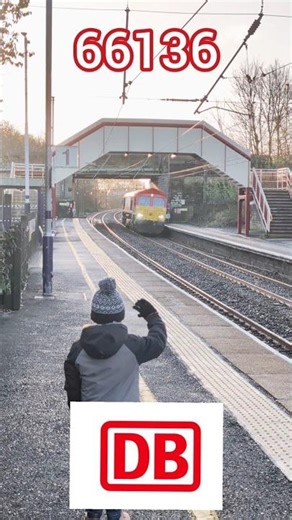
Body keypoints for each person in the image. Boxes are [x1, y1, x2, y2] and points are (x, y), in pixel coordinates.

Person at [64, 277, 167, 520]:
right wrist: (152, 316)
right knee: (115, 469)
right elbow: (159, 342)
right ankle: (114, 515)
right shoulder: (133, 347)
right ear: (120, 315)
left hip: (91, 422)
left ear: (94, 316)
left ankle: (93, 514)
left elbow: (73, 391)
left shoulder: (77, 350)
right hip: (123, 424)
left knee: (94, 469)